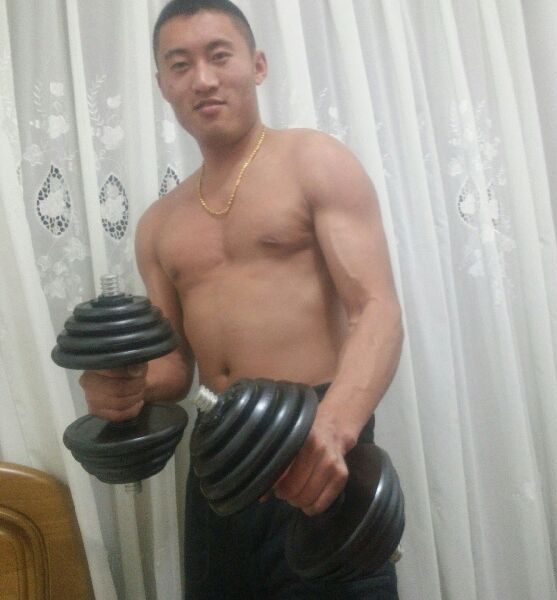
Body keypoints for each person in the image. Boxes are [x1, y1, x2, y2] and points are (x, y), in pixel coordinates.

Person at [80, 0, 403, 598]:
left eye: (218, 56)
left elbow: (377, 310)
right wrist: (124, 387)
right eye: (180, 65)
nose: (202, 78)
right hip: (220, 455)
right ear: (162, 84)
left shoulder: (314, 161)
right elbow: (174, 369)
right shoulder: (157, 225)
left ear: (257, 65)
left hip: (317, 439)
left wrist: (334, 429)